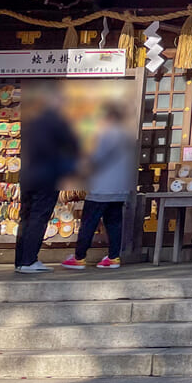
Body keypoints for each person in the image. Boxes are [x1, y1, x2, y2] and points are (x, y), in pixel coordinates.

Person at [62, 103, 135, 269]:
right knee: (114, 223)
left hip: (102, 188)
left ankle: (79, 257)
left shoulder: (105, 134)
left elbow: (95, 158)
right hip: (120, 188)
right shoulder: (127, 136)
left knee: (89, 222)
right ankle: (114, 257)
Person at [15, 84, 78, 274]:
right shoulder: (58, 122)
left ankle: (20, 260)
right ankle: (29, 260)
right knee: (39, 216)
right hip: (47, 175)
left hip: (27, 175)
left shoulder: (30, 122)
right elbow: (73, 146)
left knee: (25, 216)